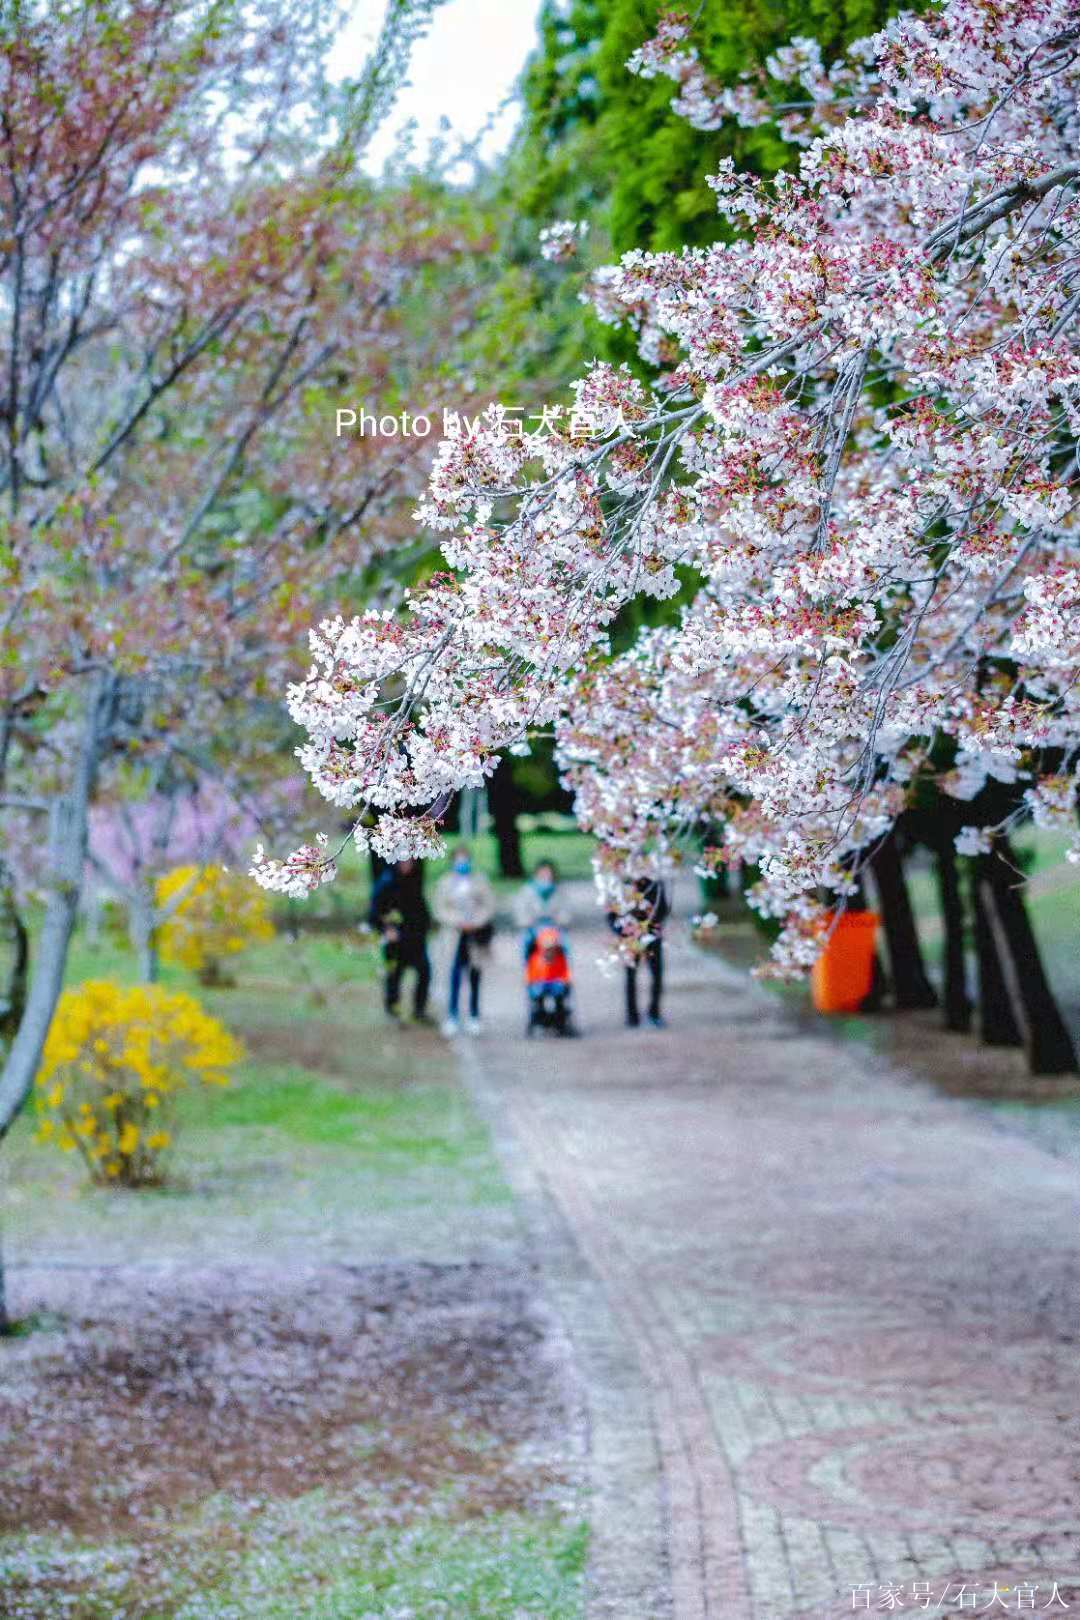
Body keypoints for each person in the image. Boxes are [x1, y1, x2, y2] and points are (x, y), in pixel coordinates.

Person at [432, 846, 496, 1037]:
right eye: (458, 860)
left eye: (465, 859)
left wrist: (475, 921)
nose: (462, 863)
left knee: (475, 975)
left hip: (475, 935)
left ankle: (474, 1015)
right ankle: (452, 1016)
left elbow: (488, 905)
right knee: (454, 975)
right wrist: (457, 921)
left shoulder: (479, 881)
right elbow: (440, 908)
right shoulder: (445, 883)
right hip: (454, 935)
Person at [368, 857, 432, 1023]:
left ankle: (419, 1010)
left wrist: (425, 925)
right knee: (394, 976)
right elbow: (374, 913)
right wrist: (385, 929)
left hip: (415, 937)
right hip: (395, 941)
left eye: (410, 862)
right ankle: (392, 1010)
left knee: (424, 972)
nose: (407, 865)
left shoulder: (415, 879)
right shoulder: (386, 882)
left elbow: (420, 906)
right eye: (404, 862)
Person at [608, 876, 670, 1029]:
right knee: (630, 975)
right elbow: (611, 914)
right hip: (629, 938)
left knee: (656, 974)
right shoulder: (618, 884)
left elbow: (662, 909)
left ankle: (654, 1012)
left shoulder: (654, 884)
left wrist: (648, 926)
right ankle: (632, 1015)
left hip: (651, 936)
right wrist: (622, 930)